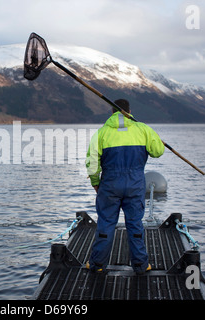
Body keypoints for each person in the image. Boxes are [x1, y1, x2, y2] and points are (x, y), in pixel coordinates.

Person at [85, 99, 165, 275]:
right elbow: (158, 151)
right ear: (130, 111)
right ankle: (141, 265)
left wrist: (95, 182)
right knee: (135, 224)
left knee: (106, 224)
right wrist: (155, 138)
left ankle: (98, 264)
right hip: (135, 185)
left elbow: (92, 163)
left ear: (112, 112)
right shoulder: (143, 129)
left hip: (110, 185)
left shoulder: (101, 133)